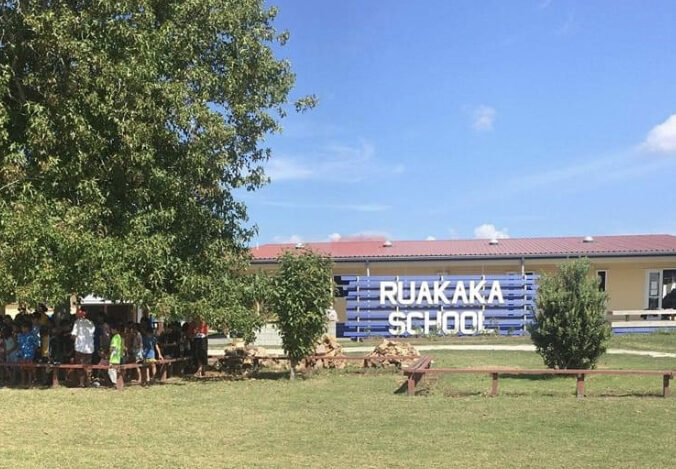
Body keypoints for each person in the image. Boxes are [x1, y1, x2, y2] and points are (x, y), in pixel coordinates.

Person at [70, 309, 95, 387]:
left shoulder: (77, 322)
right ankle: (88, 381)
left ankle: (81, 383)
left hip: (80, 348)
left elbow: (73, 335)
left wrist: (73, 340)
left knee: (80, 365)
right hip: (89, 348)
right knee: (88, 365)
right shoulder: (91, 323)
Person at [17, 322, 39, 387]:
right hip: (21, 354)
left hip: (30, 355)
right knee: (22, 369)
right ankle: (23, 382)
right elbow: (18, 344)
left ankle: (29, 382)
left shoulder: (32, 335)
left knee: (29, 369)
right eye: (22, 328)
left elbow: (36, 345)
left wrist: (32, 351)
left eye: (24, 327)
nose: (22, 329)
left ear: (28, 328)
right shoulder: (20, 335)